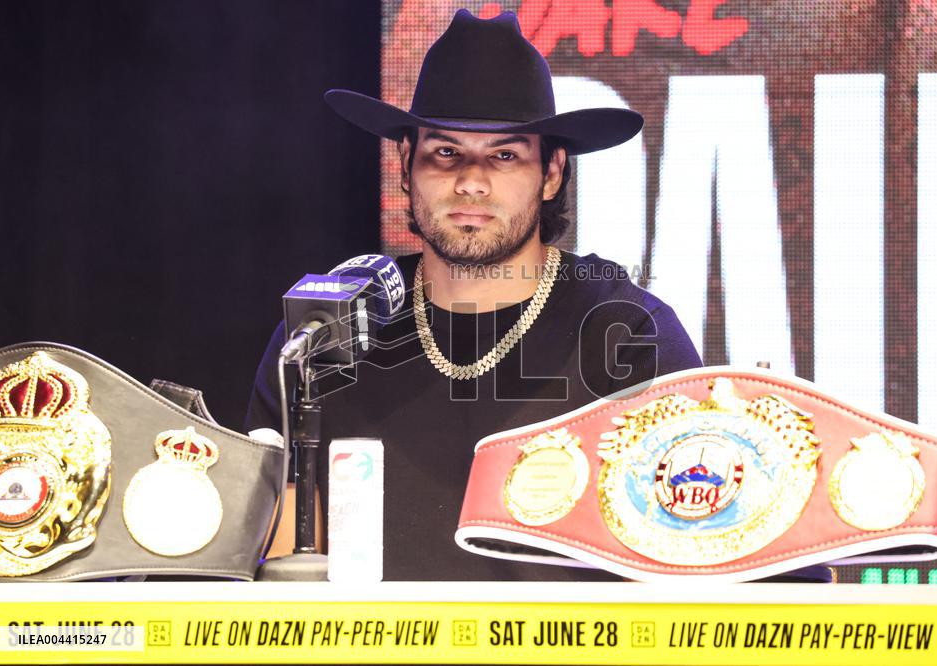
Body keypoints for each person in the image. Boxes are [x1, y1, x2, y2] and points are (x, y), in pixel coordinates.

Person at [246, 9, 702, 581]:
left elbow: (696, 540)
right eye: (445, 152)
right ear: (406, 164)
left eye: (505, 155)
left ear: (553, 172)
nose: (472, 181)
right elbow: (276, 566)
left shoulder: (627, 329)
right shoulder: (325, 328)